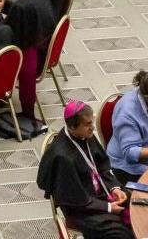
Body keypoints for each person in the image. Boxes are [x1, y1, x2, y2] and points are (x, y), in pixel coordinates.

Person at [38, 100, 129, 239]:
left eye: (92, 122)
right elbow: (76, 200)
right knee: (120, 233)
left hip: (100, 194)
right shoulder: (62, 157)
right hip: (81, 209)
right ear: (72, 127)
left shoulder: (85, 135)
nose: (92, 127)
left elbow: (102, 167)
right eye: (87, 124)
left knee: (135, 203)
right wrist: (108, 208)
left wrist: (114, 188)